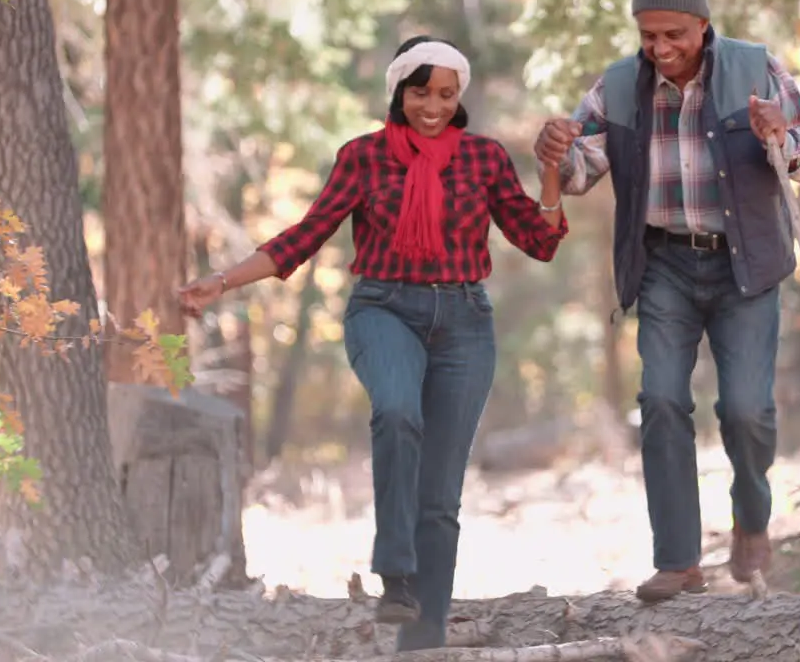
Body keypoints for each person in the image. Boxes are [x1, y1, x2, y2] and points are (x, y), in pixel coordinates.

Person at [178, 35, 568, 649]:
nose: (434, 105)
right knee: (394, 409)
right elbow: (305, 236)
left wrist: (549, 173)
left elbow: (539, 240)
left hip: (465, 321)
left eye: (446, 93)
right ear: (399, 91)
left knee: (440, 497)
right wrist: (221, 281)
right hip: (384, 308)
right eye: (421, 92)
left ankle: (424, 640)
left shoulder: (484, 159)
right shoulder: (363, 157)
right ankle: (395, 570)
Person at [534, 0, 800, 602]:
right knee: (663, 402)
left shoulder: (755, 68)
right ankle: (679, 561)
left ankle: (752, 519)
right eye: (648, 36)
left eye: (673, 35)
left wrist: (783, 137)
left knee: (746, 410)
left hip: (745, 264)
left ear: (703, 24)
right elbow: (581, 170)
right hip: (663, 262)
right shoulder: (616, 86)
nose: (660, 49)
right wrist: (555, 151)